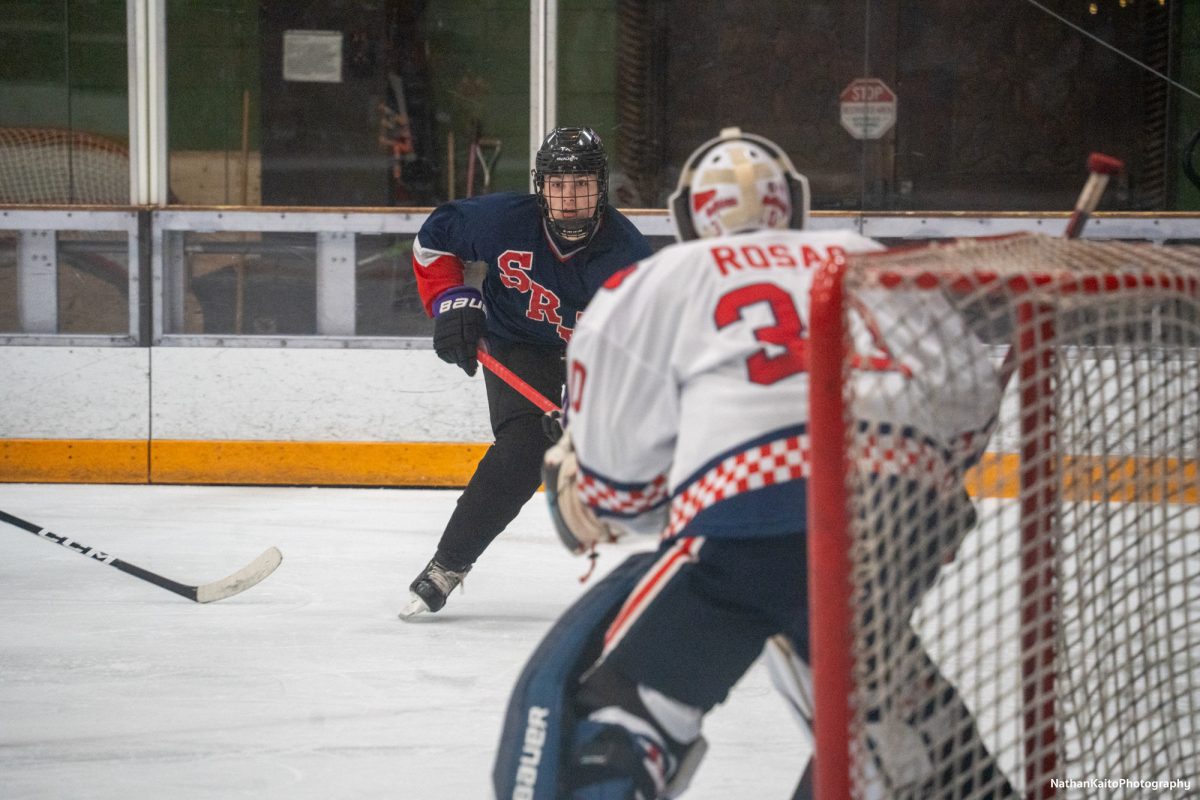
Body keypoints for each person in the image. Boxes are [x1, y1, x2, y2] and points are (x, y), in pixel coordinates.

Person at [492, 128, 1015, 799]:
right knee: (878, 710)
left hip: (749, 523)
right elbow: (968, 403)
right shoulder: (867, 257)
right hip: (904, 515)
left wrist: (599, 498)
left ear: (691, 216)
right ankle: (917, 755)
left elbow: (620, 487)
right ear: (791, 205)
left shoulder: (659, 279)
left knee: (624, 718)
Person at [400, 126, 652, 619]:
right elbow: (433, 240)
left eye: (582, 185)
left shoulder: (629, 258)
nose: (570, 199)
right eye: (559, 186)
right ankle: (447, 566)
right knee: (524, 447)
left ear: (602, 187)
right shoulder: (501, 220)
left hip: (593, 357)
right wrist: (452, 300)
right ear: (541, 187)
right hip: (517, 340)